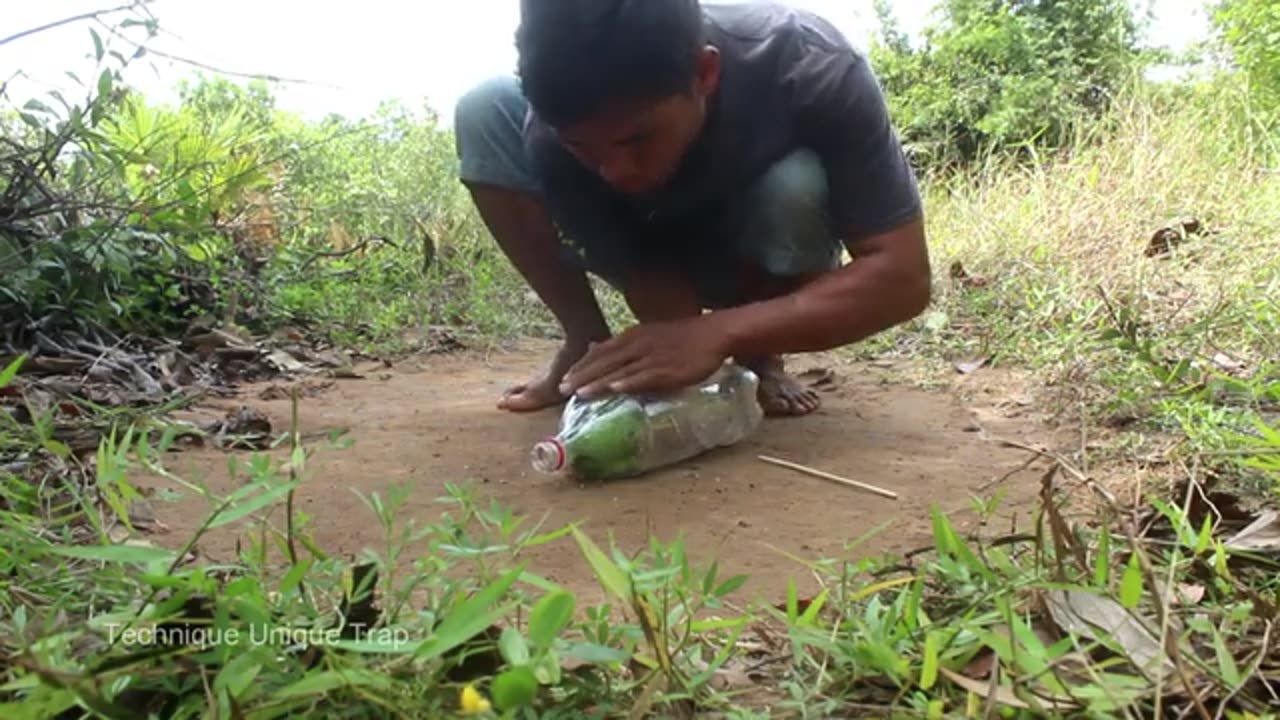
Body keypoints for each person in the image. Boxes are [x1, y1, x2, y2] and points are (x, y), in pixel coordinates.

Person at [453, 0, 931, 418]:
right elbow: (648, 276)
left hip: (761, 247)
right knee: (483, 108)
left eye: (638, 139)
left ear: (705, 73)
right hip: (660, 238)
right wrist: (677, 340)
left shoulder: (811, 63)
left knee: (793, 184)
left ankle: (763, 356)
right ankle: (589, 344)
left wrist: (720, 333)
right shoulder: (551, 132)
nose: (615, 173)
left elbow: (903, 278)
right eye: (586, 148)